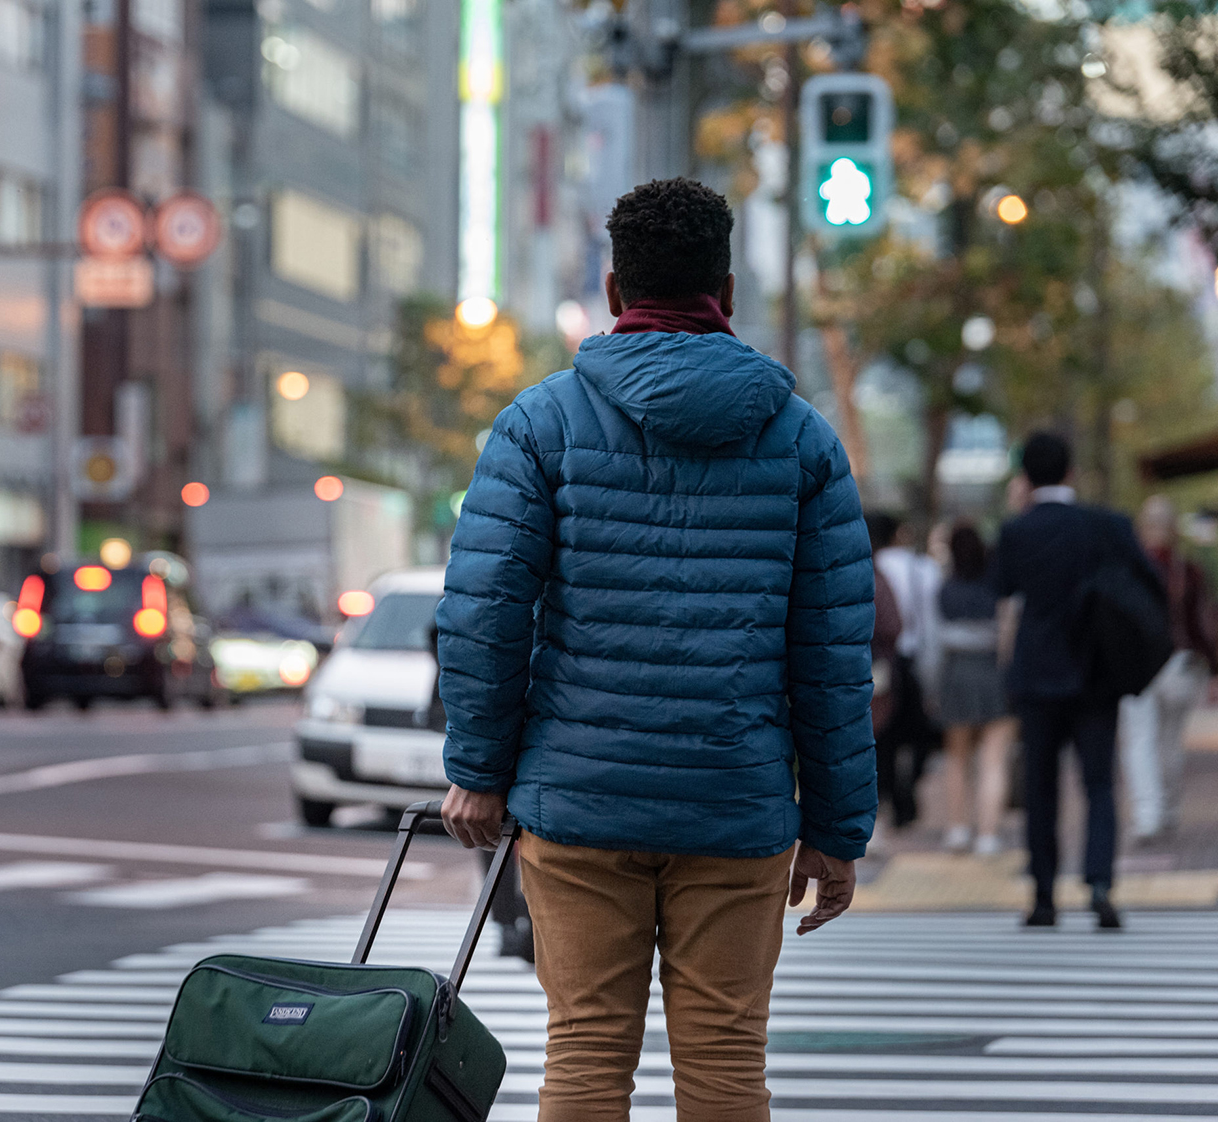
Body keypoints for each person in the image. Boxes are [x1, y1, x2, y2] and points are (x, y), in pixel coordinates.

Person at [434, 177, 877, 1122]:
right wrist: (837, 830)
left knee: (586, 1057)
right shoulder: (802, 441)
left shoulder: (540, 424)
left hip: (580, 792)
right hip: (737, 798)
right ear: (727, 289)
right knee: (724, 1063)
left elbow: (486, 608)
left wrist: (478, 767)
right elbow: (833, 651)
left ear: (610, 289)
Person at [993, 430, 1150, 929]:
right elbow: (1147, 582)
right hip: (1096, 672)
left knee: (1040, 788)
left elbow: (1001, 588)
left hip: (1037, 674)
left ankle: (1043, 896)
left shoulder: (1017, 530)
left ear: (1024, 477)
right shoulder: (1106, 526)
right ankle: (1100, 884)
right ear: (1070, 472)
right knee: (1100, 783)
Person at [1119, 494, 1216, 840]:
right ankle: (1169, 809)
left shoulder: (1129, 568)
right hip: (1180, 665)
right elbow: (1203, 625)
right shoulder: (1187, 570)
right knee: (1171, 742)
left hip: (1138, 666)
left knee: (1140, 741)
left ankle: (1149, 814)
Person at [934, 522, 1015, 856]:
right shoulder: (997, 587)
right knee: (994, 759)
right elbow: (1009, 634)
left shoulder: (944, 590)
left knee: (956, 758)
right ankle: (988, 834)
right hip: (994, 672)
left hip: (955, 672)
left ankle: (957, 830)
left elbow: (932, 642)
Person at [864, 511, 941, 829]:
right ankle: (904, 799)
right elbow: (904, 624)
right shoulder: (918, 567)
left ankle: (888, 800)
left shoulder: (861, 565)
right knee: (916, 733)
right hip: (900, 661)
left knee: (882, 736)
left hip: (870, 664)